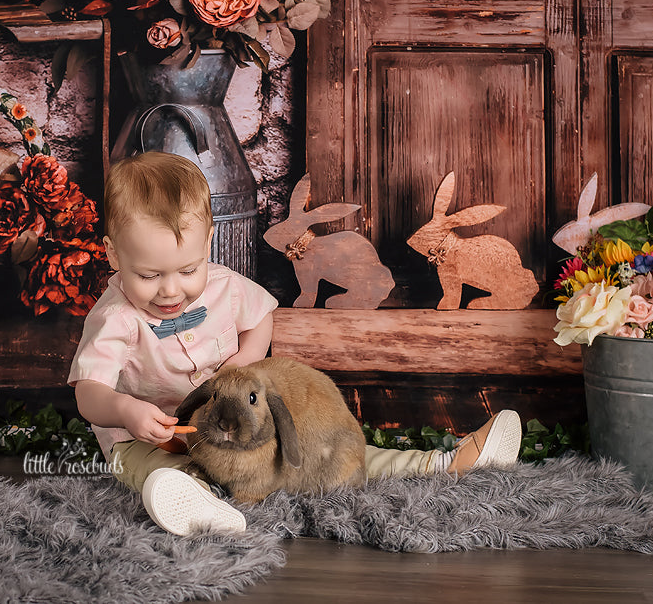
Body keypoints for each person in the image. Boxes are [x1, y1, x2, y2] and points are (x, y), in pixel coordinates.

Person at [69, 151, 522, 536]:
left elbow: (260, 317)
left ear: (209, 241)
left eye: (187, 271)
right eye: (149, 276)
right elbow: (89, 393)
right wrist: (126, 411)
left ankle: (444, 464)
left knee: (329, 450)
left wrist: (245, 360)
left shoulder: (225, 286)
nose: (171, 291)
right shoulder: (116, 318)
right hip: (152, 437)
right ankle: (197, 503)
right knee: (158, 468)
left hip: (235, 425)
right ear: (113, 254)